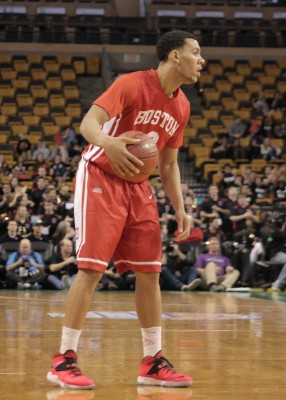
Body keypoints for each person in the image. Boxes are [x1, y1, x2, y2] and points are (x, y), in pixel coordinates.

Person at [46, 30, 205, 390]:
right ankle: (63, 359)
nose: (202, 60)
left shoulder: (182, 106)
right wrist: (108, 144)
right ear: (175, 56)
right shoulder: (131, 83)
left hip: (138, 186)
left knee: (150, 272)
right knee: (90, 269)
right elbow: (88, 123)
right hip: (100, 173)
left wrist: (180, 207)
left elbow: (168, 164)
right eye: (196, 53)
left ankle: (152, 361)